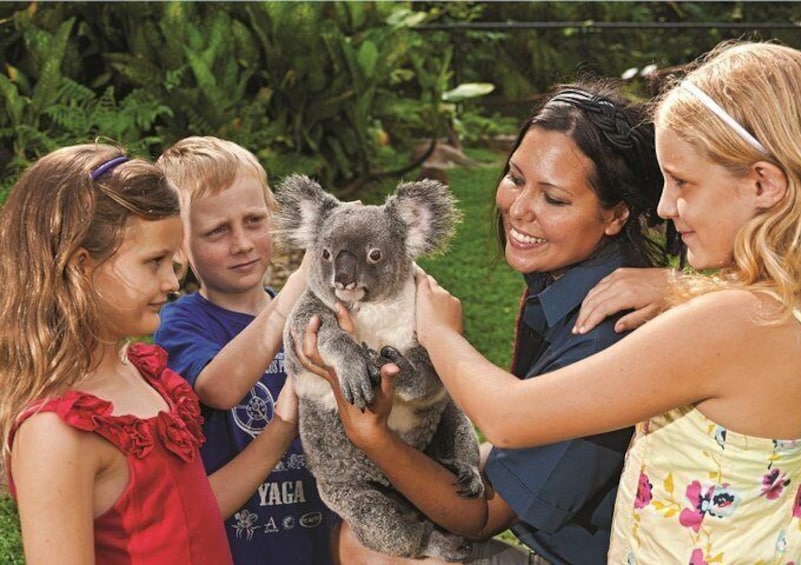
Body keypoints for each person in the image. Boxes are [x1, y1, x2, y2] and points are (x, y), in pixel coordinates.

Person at [410, 41, 801, 563]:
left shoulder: (733, 322)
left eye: (682, 181)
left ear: (763, 183)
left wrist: (439, 332)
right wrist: (680, 285)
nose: (663, 206)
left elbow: (510, 417)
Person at [296, 80, 678, 564]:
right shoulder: (575, 280)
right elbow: (508, 454)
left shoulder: (605, 326)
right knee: (366, 532)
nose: (519, 210)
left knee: (375, 553)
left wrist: (380, 425)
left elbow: (482, 512)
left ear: (615, 215)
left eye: (554, 200)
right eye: (516, 179)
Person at [0, 144, 300, 563]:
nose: (173, 283)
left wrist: (282, 426)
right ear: (80, 267)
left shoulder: (149, 378)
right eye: (154, 262)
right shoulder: (57, 432)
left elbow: (197, 516)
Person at [153, 136, 337, 565]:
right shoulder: (179, 325)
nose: (242, 243)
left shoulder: (313, 315)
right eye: (217, 231)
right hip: (240, 549)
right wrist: (293, 294)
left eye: (254, 220)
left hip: (320, 540)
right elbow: (220, 388)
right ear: (178, 245)